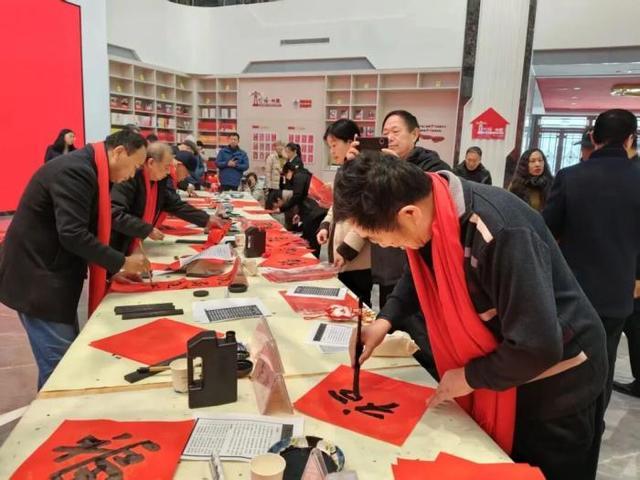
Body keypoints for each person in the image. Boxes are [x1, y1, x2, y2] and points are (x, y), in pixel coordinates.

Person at [334, 152, 606, 480]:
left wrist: (469, 377)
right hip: (513, 360)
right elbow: (420, 273)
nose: (383, 245)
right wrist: (384, 321)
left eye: (377, 238)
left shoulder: (500, 232)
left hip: (558, 379)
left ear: (409, 214)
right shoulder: (433, 210)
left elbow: (538, 347)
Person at [0, 129, 150, 389]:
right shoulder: (76, 171)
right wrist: (122, 261)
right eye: (135, 167)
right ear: (118, 152)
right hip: (38, 280)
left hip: (53, 275)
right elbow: (73, 234)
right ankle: (51, 413)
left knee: (65, 362)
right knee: (62, 372)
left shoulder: (91, 169)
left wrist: (113, 269)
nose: (132, 176)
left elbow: (89, 227)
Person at [543, 108, 640, 408]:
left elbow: (546, 231)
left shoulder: (570, 177)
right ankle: (596, 422)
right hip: (619, 289)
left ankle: (564, 419)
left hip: (572, 290)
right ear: (630, 139)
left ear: (594, 137)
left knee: (568, 359)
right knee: (605, 359)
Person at [110, 142, 218, 255]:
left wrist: (206, 219)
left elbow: (174, 204)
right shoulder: (130, 177)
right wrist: (146, 229)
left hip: (133, 242)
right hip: (115, 245)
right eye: (166, 167)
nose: (168, 172)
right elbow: (115, 213)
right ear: (151, 163)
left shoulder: (158, 181)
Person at [317, 119, 372, 306]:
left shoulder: (365, 171)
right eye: (329, 147)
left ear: (351, 141)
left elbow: (366, 216)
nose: (332, 151)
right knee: (344, 305)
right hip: (341, 255)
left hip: (358, 259)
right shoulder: (344, 170)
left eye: (334, 145)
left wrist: (347, 250)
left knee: (359, 307)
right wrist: (325, 225)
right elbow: (337, 204)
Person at [267, 163, 327, 258]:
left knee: (311, 239)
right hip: (315, 211)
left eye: (285, 175)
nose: (287, 179)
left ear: (289, 171)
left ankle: (312, 260)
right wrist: (299, 214)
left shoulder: (298, 177)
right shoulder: (303, 175)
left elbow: (297, 196)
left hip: (315, 213)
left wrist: (281, 208)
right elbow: (303, 198)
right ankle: (310, 258)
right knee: (309, 238)